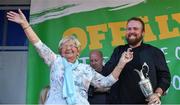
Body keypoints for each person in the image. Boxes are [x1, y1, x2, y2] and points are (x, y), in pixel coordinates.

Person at [6, 9, 133, 105]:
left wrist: (121, 63)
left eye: (73, 45)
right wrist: (25, 25)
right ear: (60, 51)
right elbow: (39, 45)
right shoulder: (56, 61)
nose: (68, 47)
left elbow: (106, 82)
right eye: (64, 46)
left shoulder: (86, 69)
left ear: (78, 52)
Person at [102, 17, 171, 104]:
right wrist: (121, 63)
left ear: (143, 33)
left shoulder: (154, 52)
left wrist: (157, 94)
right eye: (129, 29)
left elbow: (165, 77)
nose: (131, 31)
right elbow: (106, 74)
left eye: (135, 29)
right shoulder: (118, 51)